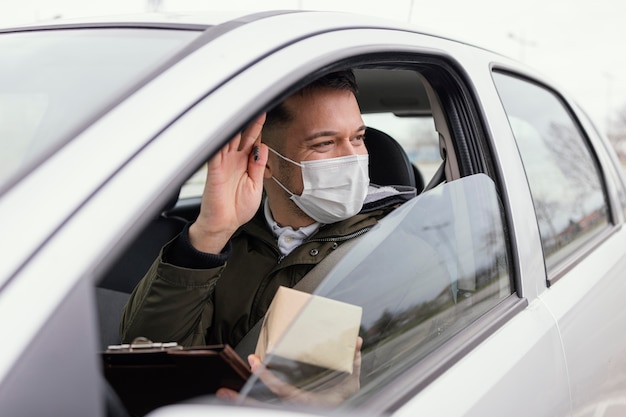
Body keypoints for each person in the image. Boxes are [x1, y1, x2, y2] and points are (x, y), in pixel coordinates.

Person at [119, 70, 415, 401]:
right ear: (265, 159)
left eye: (358, 138)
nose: (352, 158)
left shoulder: (402, 255)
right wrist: (209, 235)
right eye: (325, 143)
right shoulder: (223, 243)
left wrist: (345, 407)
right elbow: (146, 361)